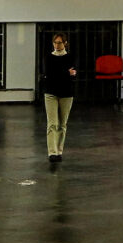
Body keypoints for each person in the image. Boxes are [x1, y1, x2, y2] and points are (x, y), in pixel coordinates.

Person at [42, 32, 76, 163]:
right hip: (50, 93)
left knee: (62, 124)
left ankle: (59, 150)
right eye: (55, 43)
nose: (57, 45)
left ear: (65, 43)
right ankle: (52, 152)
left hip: (66, 93)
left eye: (59, 43)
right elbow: (49, 74)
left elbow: (73, 73)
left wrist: (62, 74)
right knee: (52, 123)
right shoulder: (48, 57)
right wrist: (66, 73)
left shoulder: (70, 57)